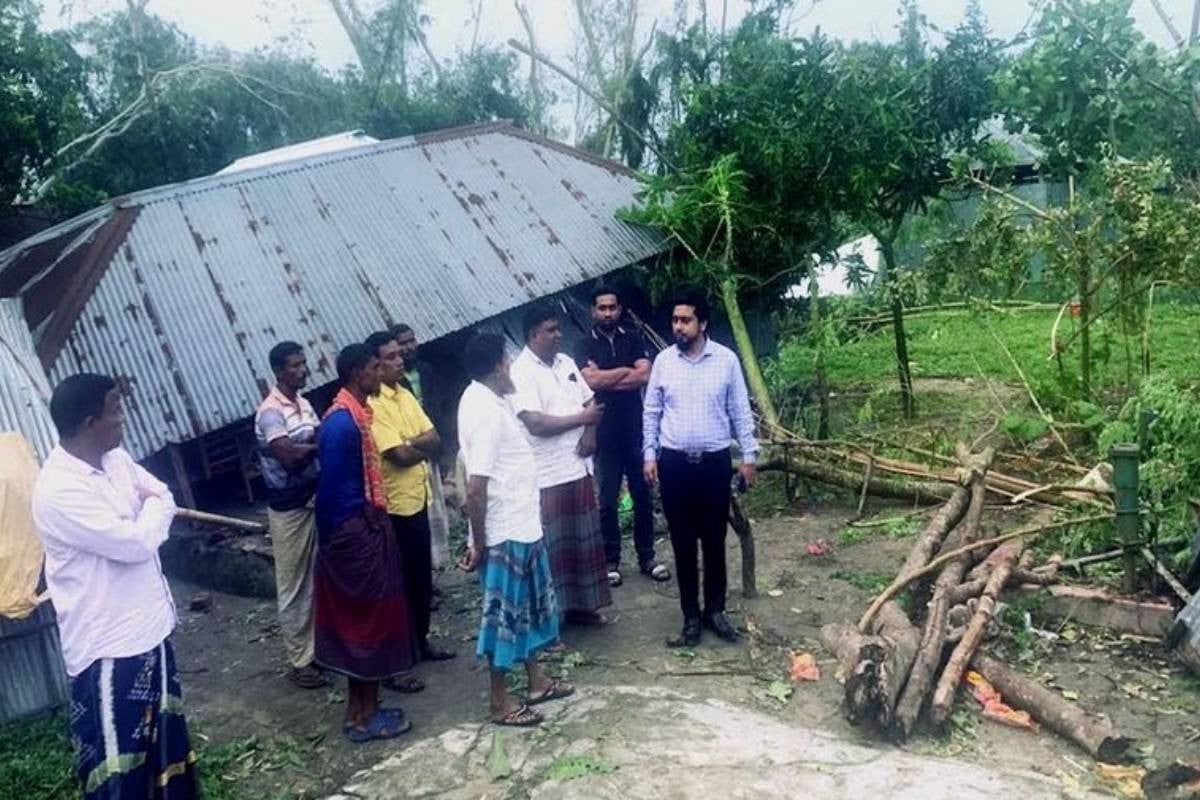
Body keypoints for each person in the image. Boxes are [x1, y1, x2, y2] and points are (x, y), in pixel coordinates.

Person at [31, 373, 197, 799]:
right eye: (115, 411)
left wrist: (153, 507)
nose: (122, 419)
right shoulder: (58, 491)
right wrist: (154, 513)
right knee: (120, 769)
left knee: (166, 748)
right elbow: (137, 543)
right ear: (89, 422)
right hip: (110, 649)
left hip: (152, 630)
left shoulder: (116, 459)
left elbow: (161, 492)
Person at [458, 333, 574, 727]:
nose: (511, 369)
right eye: (507, 363)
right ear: (495, 367)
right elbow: (476, 488)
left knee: (524, 611)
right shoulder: (485, 411)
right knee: (504, 620)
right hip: (504, 531)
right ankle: (499, 702)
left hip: (522, 525)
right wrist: (479, 540)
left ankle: (537, 681)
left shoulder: (488, 398)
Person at [313, 344, 419, 743]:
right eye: (376, 367)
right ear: (359, 373)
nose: (382, 373)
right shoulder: (342, 425)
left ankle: (363, 710)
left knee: (373, 623)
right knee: (366, 626)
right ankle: (362, 718)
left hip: (363, 529)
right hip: (355, 536)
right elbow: (332, 493)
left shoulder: (358, 416)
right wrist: (355, 535)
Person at [642, 290, 759, 648]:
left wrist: (750, 456)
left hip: (713, 464)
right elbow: (652, 412)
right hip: (674, 464)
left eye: (685, 320)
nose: (678, 326)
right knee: (681, 543)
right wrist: (649, 455)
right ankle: (690, 617)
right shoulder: (663, 362)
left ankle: (715, 611)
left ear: (702, 323)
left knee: (713, 540)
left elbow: (740, 410)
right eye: (675, 320)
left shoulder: (725, 361)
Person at [364, 331, 456, 693]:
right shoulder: (374, 404)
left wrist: (409, 443)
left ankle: (421, 641)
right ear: (375, 364)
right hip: (393, 505)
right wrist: (412, 445)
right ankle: (397, 659)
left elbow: (434, 438)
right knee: (397, 585)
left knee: (421, 579)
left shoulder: (404, 393)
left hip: (416, 497)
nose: (400, 359)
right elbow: (397, 456)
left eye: (398, 354)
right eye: (389, 357)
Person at [509, 306, 613, 626]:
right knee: (552, 548)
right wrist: (581, 421)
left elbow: (590, 402)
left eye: (558, 329)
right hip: (547, 474)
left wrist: (591, 432)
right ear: (533, 335)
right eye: (551, 330)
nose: (559, 335)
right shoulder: (520, 371)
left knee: (582, 543)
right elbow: (535, 423)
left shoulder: (566, 362)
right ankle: (549, 619)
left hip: (578, 466)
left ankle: (581, 607)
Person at [576, 285, 670, 587]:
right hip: (604, 434)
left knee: (643, 496)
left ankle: (647, 557)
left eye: (612, 307)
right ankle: (611, 561)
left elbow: (644, 375)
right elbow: (589, 382)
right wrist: (623, 371)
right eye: (601, 308)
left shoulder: (633, 337)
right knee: (606, 500)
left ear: (619, 309)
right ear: (594, 311)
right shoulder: (582, 345)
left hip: (635, 430)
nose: (607, 313)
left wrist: (605, 376)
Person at [254, 341, 326, 689]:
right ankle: (300, 661)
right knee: (294, 584)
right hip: (289, 508)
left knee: (318, 578)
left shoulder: (304, 404)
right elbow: (288, 457)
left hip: (312, 500)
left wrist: (310, 444)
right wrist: (318, 444)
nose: (302, 370)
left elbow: (310, 441)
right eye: (295, 366)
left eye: (303, 364)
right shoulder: (271, 412)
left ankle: (317, 650)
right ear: (279, 371)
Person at [390, 322, 453, 575]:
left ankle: (435, 569)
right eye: (402, 344)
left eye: (411, 341)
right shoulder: (395, 384)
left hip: (432, 450)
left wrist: (443, 449)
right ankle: (423, 575)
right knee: (419, 516)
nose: (408, 348)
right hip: (410, 456)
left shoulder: (427, 371)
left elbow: (440, 411)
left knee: (436, 514)